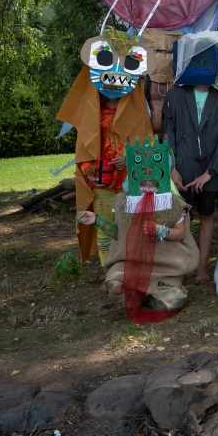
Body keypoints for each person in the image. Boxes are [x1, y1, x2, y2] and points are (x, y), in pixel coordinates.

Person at [58, 27, 153, 270]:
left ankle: (127, 272)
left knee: (128, 228)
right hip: (102, 181)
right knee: (104, 227)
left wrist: (129, 158)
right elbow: (85, 145)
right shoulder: (93, 111)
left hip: (128, 182)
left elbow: (146, 144)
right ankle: (109, 273)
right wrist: (88, 170)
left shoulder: (137, 110)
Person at [76, 137, 199, 323]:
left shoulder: (172, 203)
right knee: (115, 285)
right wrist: (97, 221)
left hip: (166, 266)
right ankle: (138, 289)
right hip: (132, 263)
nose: (147, 173)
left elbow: (180, 233)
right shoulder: (124, 202)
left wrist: (161, 230)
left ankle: (155, 291)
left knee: (168, 302)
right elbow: (119, 234)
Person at [163, 32, 218, 285]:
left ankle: (202, 267)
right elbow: (167, 134)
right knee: (179, 219)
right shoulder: (174, 97)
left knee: (206, 214)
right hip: (180, 169)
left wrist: (210, 173)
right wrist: (171, 168)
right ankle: (181, 268)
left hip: (208, 171)